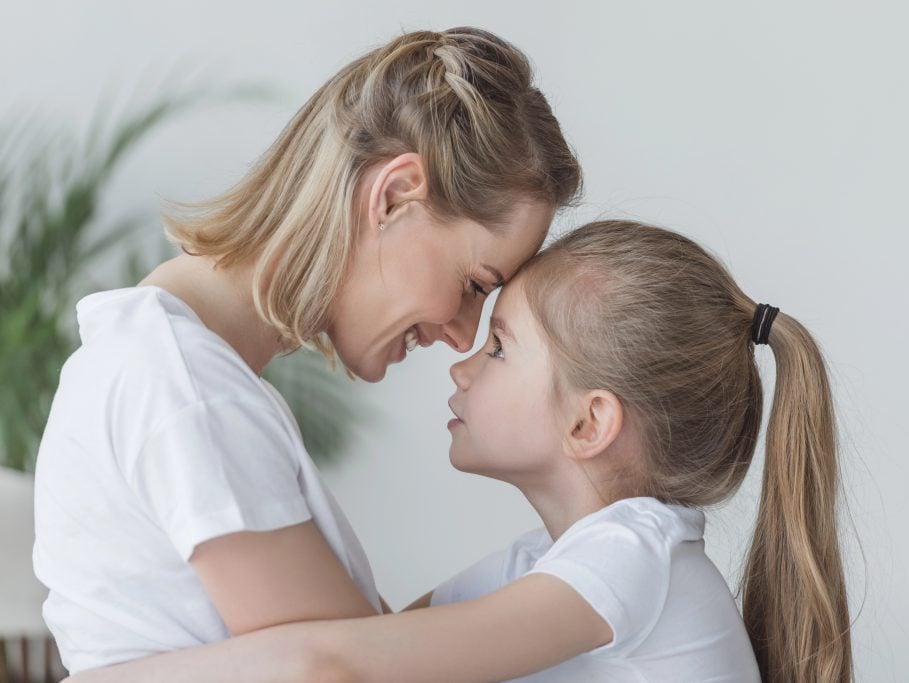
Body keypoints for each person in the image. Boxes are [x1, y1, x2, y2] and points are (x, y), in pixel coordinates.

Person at [68, 220, 854, 683]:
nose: (461, 361)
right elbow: (376, 640)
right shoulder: (548, 564)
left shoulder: (634, 558)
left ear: (590, 422)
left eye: (501, 347)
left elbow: (335, 665)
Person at [32, 26, 582, 676]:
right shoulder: (186, 390)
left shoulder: (185, 373)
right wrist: (593, 591)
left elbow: (365, 651)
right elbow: (341, 671)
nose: (463, 335)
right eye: (472, 286)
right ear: (394, 195)